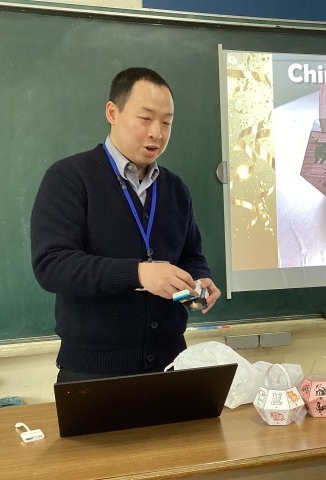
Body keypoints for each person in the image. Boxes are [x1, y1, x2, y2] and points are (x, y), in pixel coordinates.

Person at [30, 67, 220, 383]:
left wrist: (199, 280)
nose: (157, 133)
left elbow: (190, 253)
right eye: (145, 119)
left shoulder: (175, 188)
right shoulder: (69, 178)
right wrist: (138, 273)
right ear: (112, 113)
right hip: (93, 373)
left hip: (171, 365)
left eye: (166, 122)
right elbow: (52, 265)